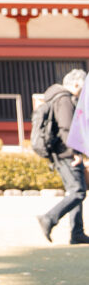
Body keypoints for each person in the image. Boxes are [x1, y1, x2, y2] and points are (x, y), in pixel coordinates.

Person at [36, 68, 88, 245]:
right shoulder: (64, 99)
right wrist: (75, 153)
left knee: (75, 190)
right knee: (78, 192)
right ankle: (49, 218)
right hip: (66, 153)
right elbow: (67, 128)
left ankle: (77, 232)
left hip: (59, 152)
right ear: (76, 84)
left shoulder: (54, 97)